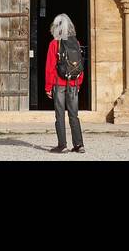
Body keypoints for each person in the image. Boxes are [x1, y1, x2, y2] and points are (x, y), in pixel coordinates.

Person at [45, 13, 85, 153]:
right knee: (74, 114)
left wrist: (48, 87)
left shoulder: (54, 44)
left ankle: (62, 145)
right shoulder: (76, 42)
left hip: (59, 84)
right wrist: (78, 82)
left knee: (60, 114)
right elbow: (80, 64)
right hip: (73, 83)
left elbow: (50, 67)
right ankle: (79, 145)